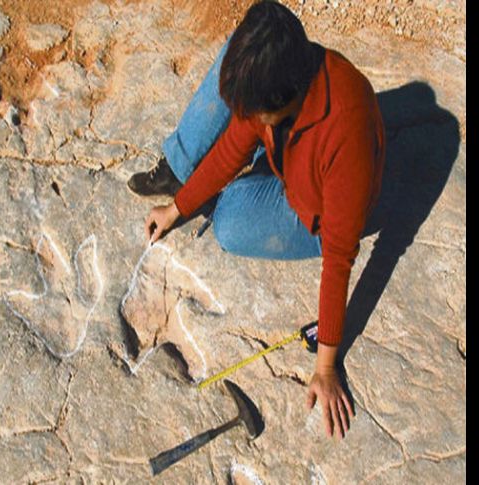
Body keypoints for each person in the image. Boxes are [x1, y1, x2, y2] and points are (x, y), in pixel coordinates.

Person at [127, 0, 385, 440]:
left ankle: (233, 184)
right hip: (291, 153)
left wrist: (326, 365)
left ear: (283, 100)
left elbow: (341, 254)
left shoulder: (346, 130)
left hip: (318, 204)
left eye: (256, 114)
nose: (245, 118)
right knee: (237, 59)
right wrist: (179, 207)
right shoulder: (279, 75)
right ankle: (183, 168)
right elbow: (233, 146)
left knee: (228, 222)